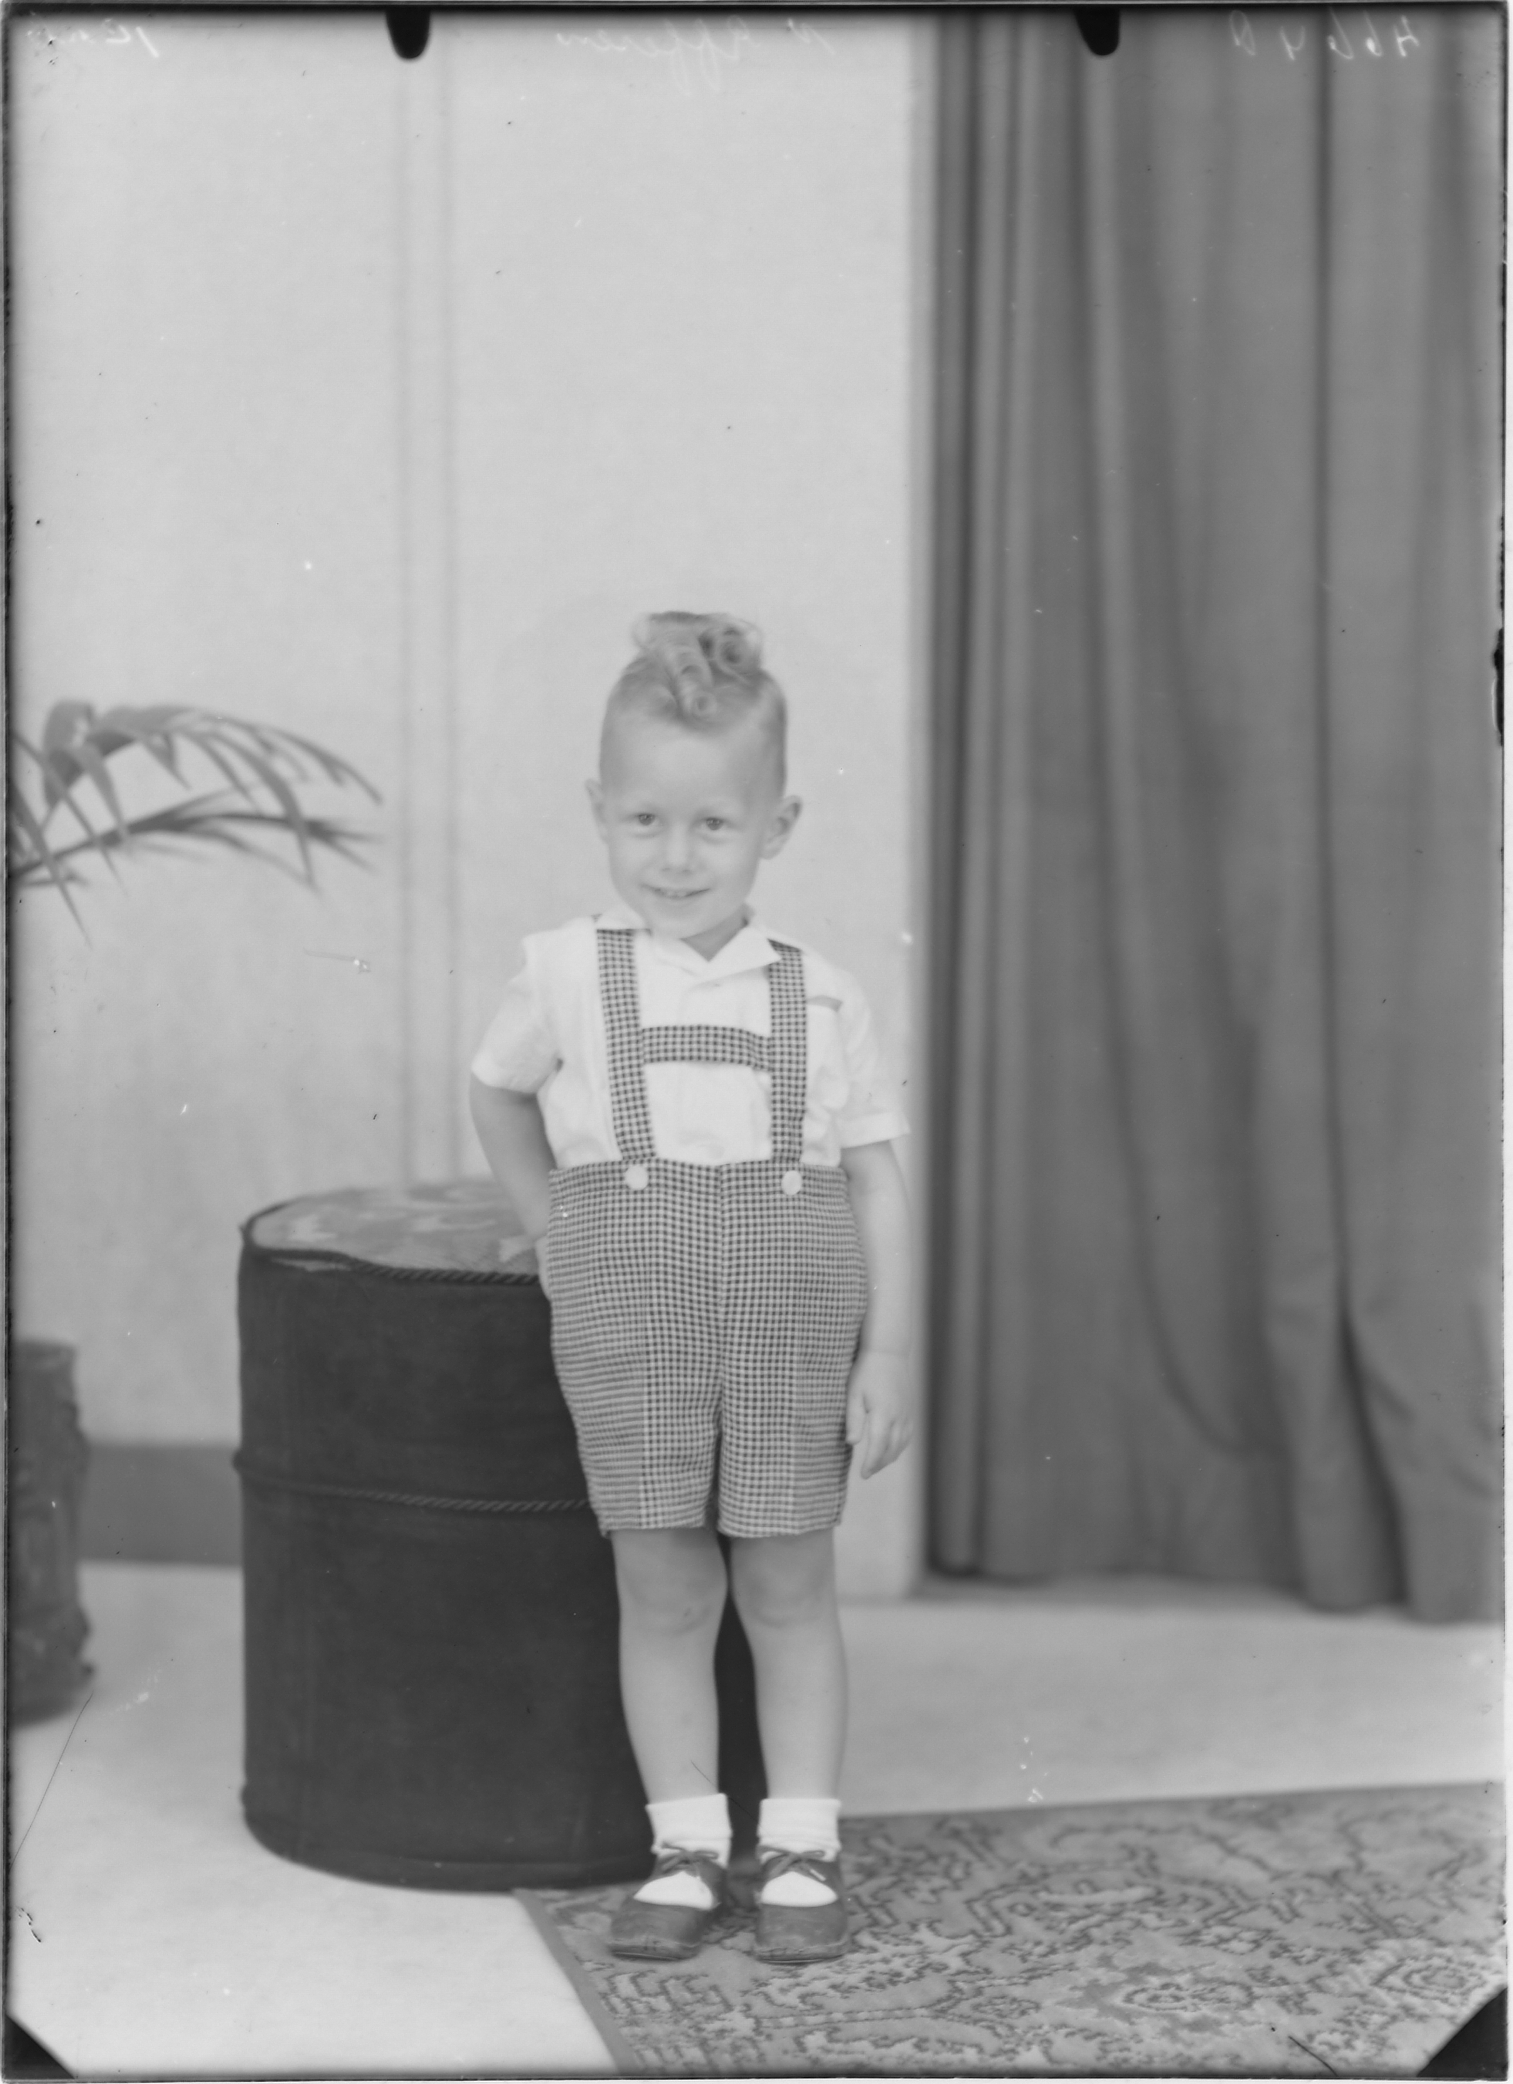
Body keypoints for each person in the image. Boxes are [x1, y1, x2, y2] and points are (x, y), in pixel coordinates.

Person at [468, 612, 912, 1965]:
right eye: (644, 821)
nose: (675, 857)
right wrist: (552, 1226)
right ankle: (684, 1848)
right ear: (597, 810)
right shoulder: (564, 971)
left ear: (778, 825)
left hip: (791, 1317)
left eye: (713, 825)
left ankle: (802, 1849)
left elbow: (876, 1180)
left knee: (786, 1582)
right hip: (631, 1317)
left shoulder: (819, 995)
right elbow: (496, 1094)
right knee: (662, 1582)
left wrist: (887, 1353)